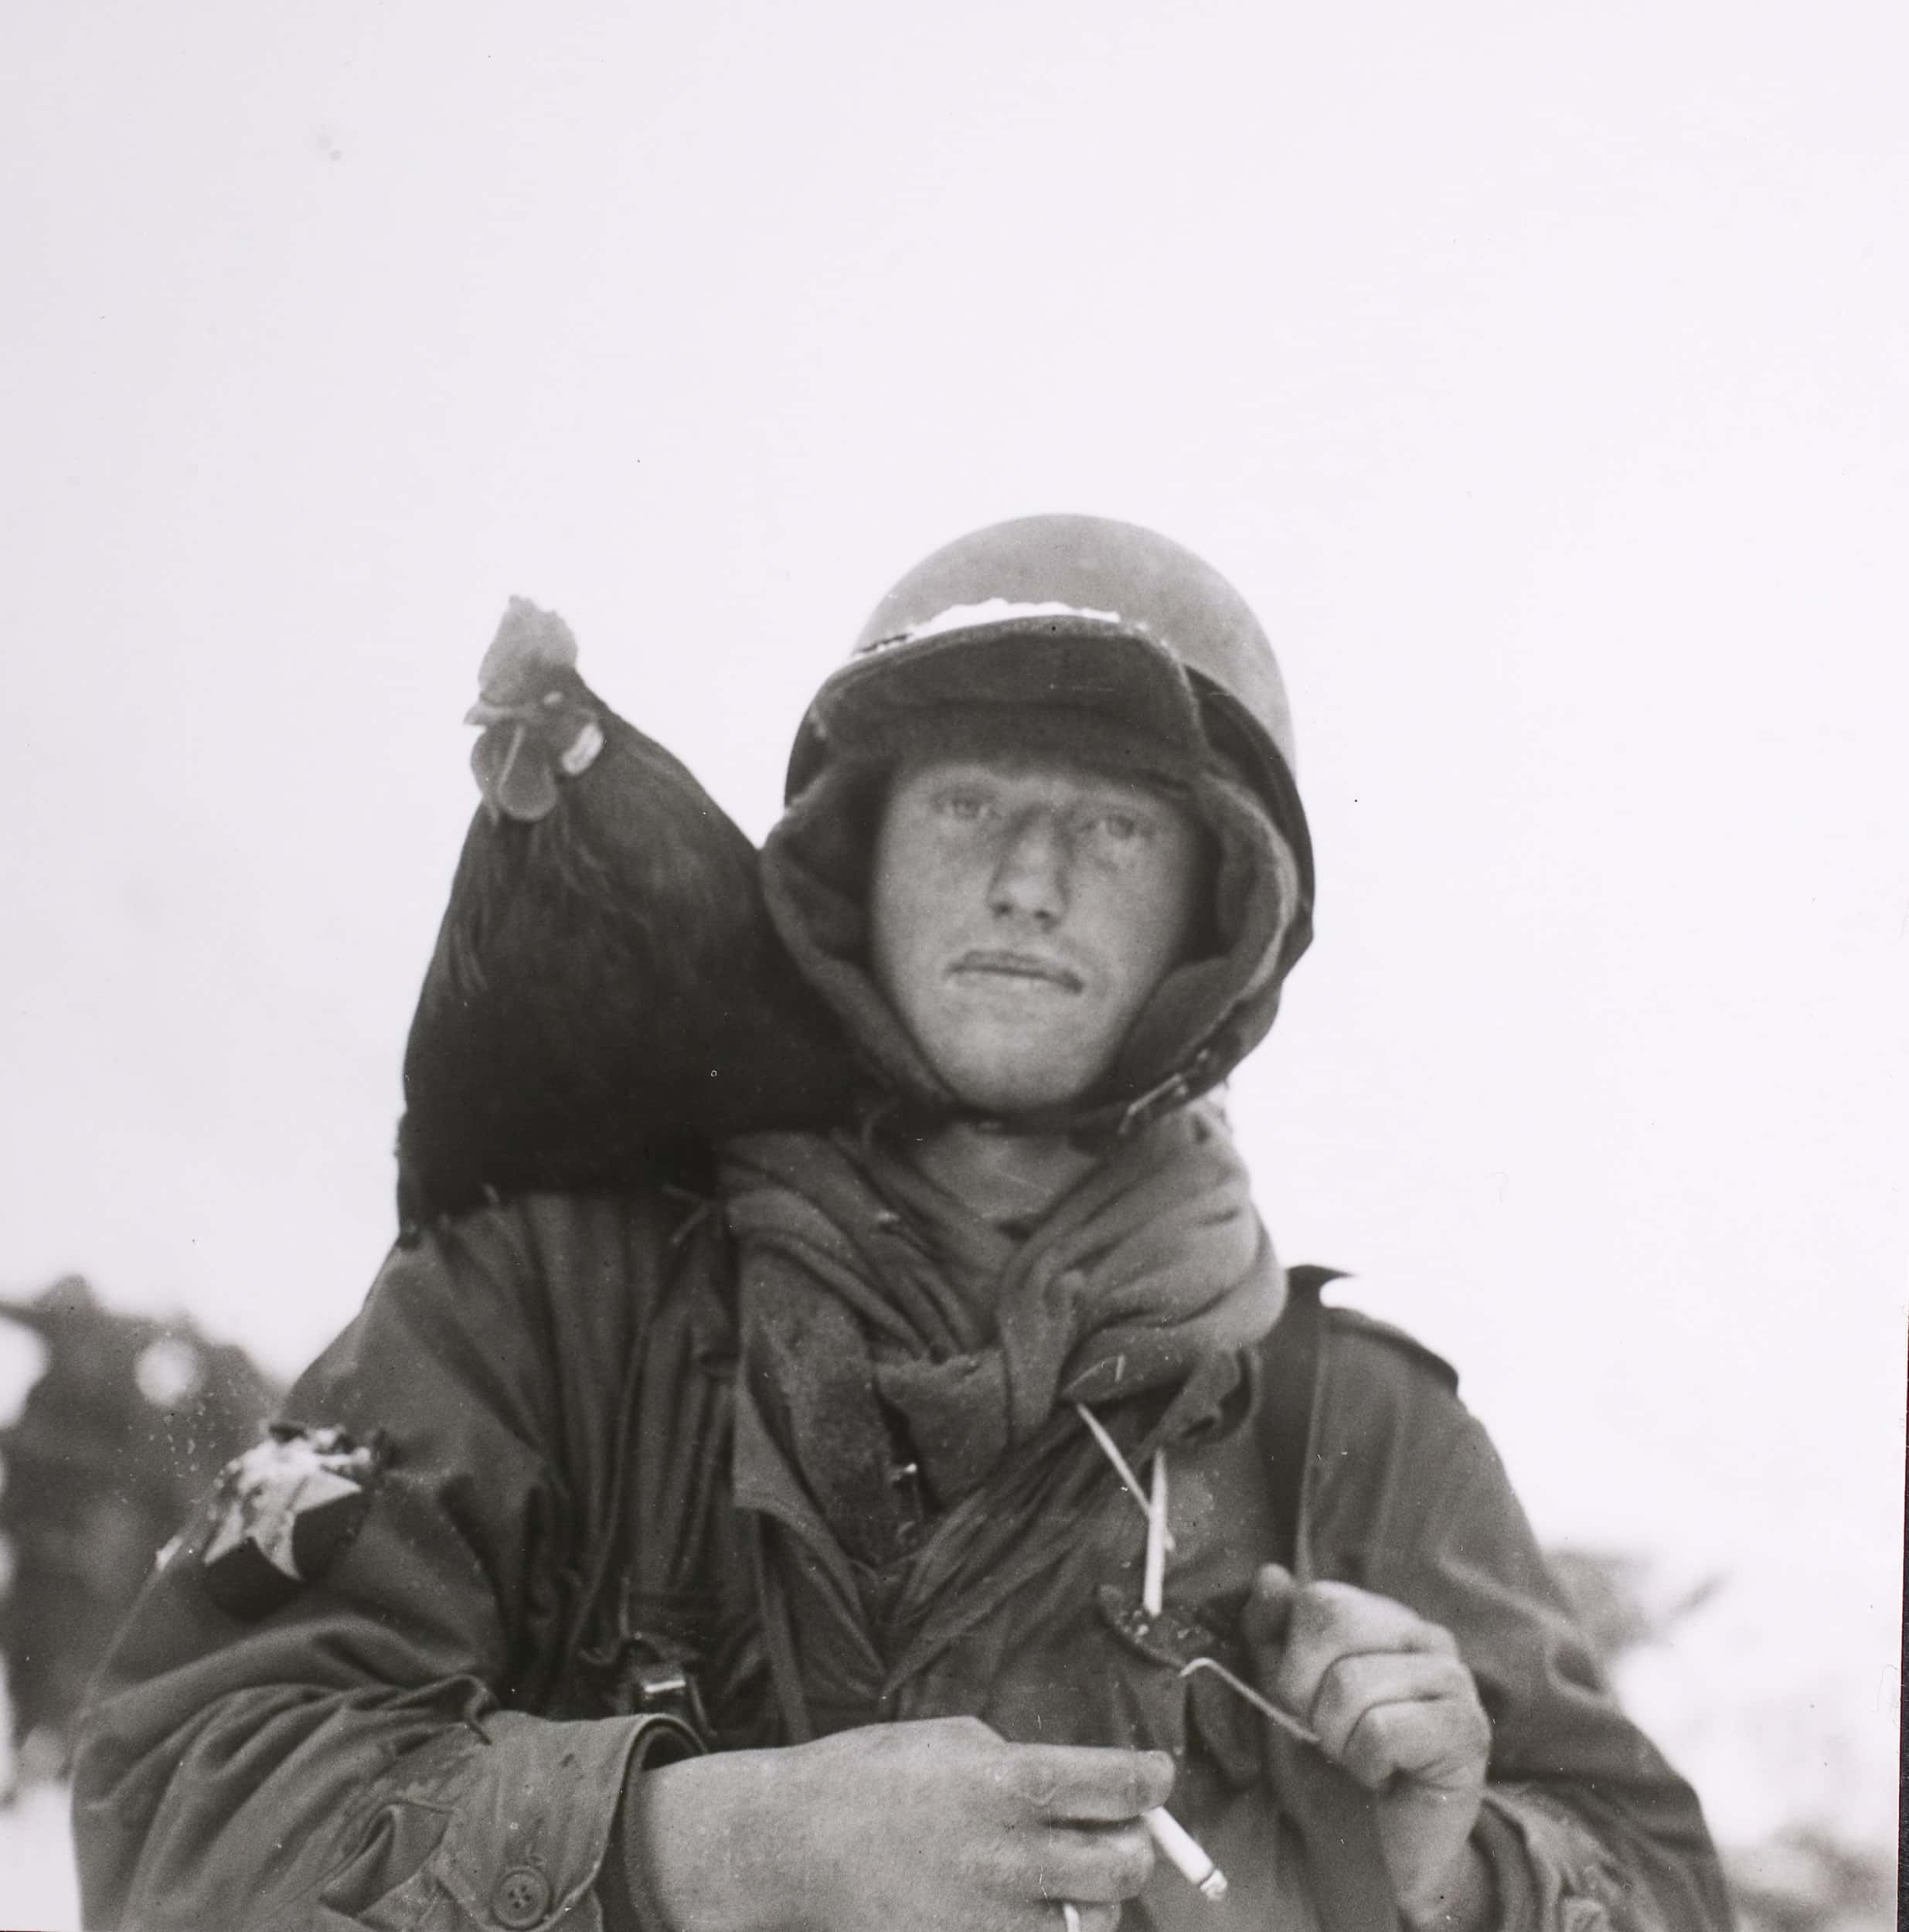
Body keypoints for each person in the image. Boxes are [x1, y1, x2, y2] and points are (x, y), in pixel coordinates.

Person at [73, 515, 1730, 1931]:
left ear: (1211, 919)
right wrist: (708, 1845)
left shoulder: (1359, 1435)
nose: (1027, 876)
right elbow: (175, 1805)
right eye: (964, 805)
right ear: (851, 861)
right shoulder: (542, 1305)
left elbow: (1658, 1877)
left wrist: (1464, 1876)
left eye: (1111, 824)